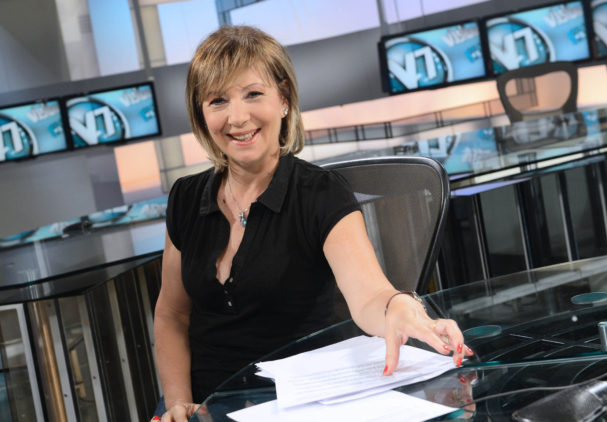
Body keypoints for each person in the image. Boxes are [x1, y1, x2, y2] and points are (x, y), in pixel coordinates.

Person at [152, 25, 473, 422]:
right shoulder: (185, 198)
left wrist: (397, 306)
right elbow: (172, 314)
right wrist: (178, 403)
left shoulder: (321, 193)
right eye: (218, 100)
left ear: (283, 99)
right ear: (202, 115)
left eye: (253, 94)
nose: (237, 117)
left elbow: (369, 296)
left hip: (297, 405)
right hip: (206, 405)